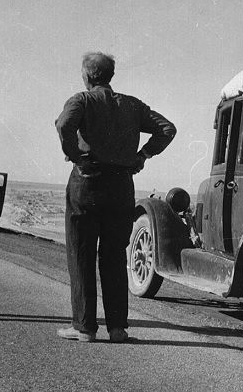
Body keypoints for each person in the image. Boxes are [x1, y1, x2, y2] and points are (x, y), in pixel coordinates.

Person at [55, 52, 176, 343]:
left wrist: (76, 156)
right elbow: (167, 129)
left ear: (87, 75)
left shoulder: (81, 100)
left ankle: (84, 327)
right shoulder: (132, 105)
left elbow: (63, 125)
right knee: (112, 256)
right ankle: (117, 328)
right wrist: (143, 154)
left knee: (81, 254)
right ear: (110, 76)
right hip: (121, 186)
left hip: (86, 184)